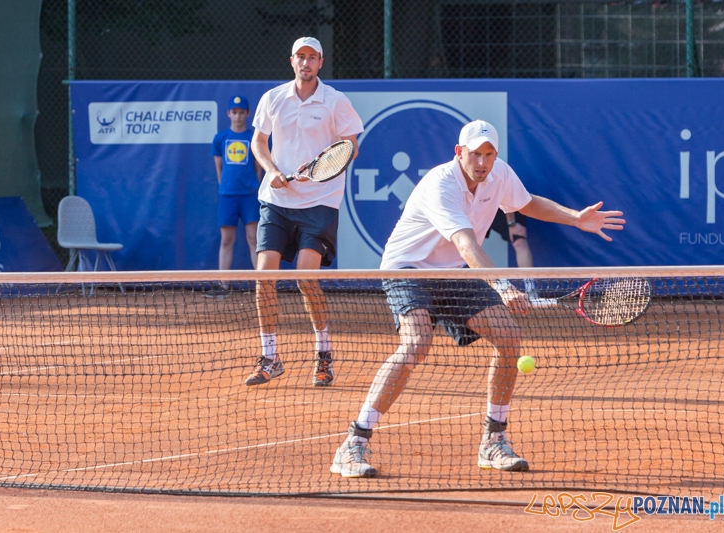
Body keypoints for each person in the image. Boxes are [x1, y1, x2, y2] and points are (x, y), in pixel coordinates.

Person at [330, 119, 625, 477]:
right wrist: (503, 286)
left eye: (489, 154)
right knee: (417, 343)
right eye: (475, 154)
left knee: (509, 337)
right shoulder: (442, 184)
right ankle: (354, 444)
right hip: (408, 268)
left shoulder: (499, 174)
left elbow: (528, 203)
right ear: (459, 152)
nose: (482, 162)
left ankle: (493, 441)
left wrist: (575, 218)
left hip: (454, 270)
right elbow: (466, 244)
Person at [246, 36, 363, 387]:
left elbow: (350, 148)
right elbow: (257, 142)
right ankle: (270, 357)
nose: (306, 63)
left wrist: (315, 171)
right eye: (301, 57)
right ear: (292, 60)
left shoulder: (336, 102)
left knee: (304, 279)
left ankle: (323, 352)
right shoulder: (273, 98)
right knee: (263, 277)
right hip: (277, 202)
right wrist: (272, 170)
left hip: (320, 201)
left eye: (313, 58)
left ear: (321, 62)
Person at [208, 95, 263, 297]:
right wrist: (224, 186)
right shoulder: (220, 138)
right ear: (228, 113)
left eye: (241, 112)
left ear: (247, 114)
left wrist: (254, 185)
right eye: (234, 112)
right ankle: (224, 285)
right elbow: (219, 166)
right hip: (227, 196)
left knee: (253, 239)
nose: (238, 116)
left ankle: (261, 286)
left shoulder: (253, 138)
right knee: (226, 240)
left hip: (249, 196)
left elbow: (259, 167)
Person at [487, 209, 538, 299]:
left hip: (510, 206)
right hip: (481, 206)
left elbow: (506, 198)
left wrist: (512, 223)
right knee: (471, 242)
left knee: (519, 241)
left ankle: (530, 290)